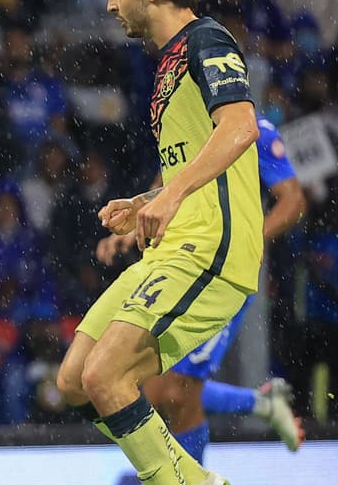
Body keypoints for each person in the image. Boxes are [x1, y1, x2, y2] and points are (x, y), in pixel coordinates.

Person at [55, 0, 262, 485]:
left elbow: (241, 126)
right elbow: (197, 154)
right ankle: (197, 484)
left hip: (210, 248)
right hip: (172, 242)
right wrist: (149, 200)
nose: (111, 5)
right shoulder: (167, 62)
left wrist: (171, 201)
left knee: (104, 375)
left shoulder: (207, 40)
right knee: (73, 382)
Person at [98, 113, 306, 465]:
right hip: (177, 265)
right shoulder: (185, 127)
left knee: (177, 391)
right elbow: (167, 190)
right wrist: (134, 227)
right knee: (149, 385)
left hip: (219, 272)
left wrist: (248, 238)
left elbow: (293, 200)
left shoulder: (250, 130)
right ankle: (262, 405)